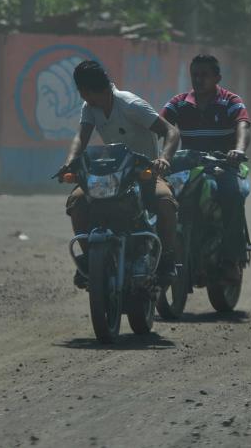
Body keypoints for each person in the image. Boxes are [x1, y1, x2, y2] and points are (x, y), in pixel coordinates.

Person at [60, 60, 181, 287]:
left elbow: (170, 131)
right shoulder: (90, 108)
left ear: (84, 91)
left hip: (144, 173)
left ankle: (167, 259)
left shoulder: (130, 105)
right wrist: (70, 163)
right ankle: (89, 259)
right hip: (111, 174)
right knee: (77, 201)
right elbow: (81, 137)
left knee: (165, 201)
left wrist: (163, 159)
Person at [161, 54, 251, 281]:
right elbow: (158, 125)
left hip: (223, 165)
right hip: (188, 166)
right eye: (195, 75)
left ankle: (231, 258)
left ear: (217, 77)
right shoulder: (178, 103)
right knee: (161, 198)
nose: (198, 80)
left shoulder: (230, 101)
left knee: (233, 194)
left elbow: (243, 126)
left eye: (204, 75)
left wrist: (238, 150)